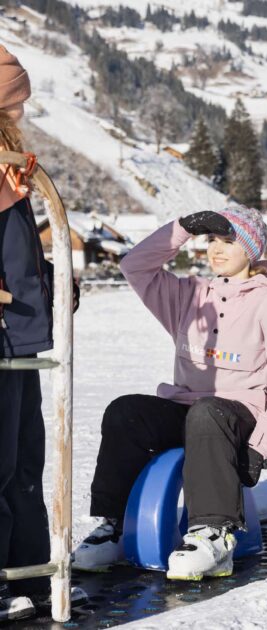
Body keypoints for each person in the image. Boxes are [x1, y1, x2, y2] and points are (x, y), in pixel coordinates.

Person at [73, 206, 267, 581]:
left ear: (252, 249)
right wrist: (182, 229)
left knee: (208, 412)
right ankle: (120, 527)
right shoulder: (189, 296)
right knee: (126, 412)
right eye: (212, 240)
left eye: (228, 241)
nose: (216, 250)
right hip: (188, 409)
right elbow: (134, 266)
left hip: (238, 416)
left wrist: (260, 446)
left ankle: (213, 535)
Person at [0, 45, 81, 622]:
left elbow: (18, 253)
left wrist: (54, 284)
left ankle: (27, 570)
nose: (22, 113)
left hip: (24, 335)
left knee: (25, 464)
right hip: (3, 335)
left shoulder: (12, 164)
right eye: (14, 102)